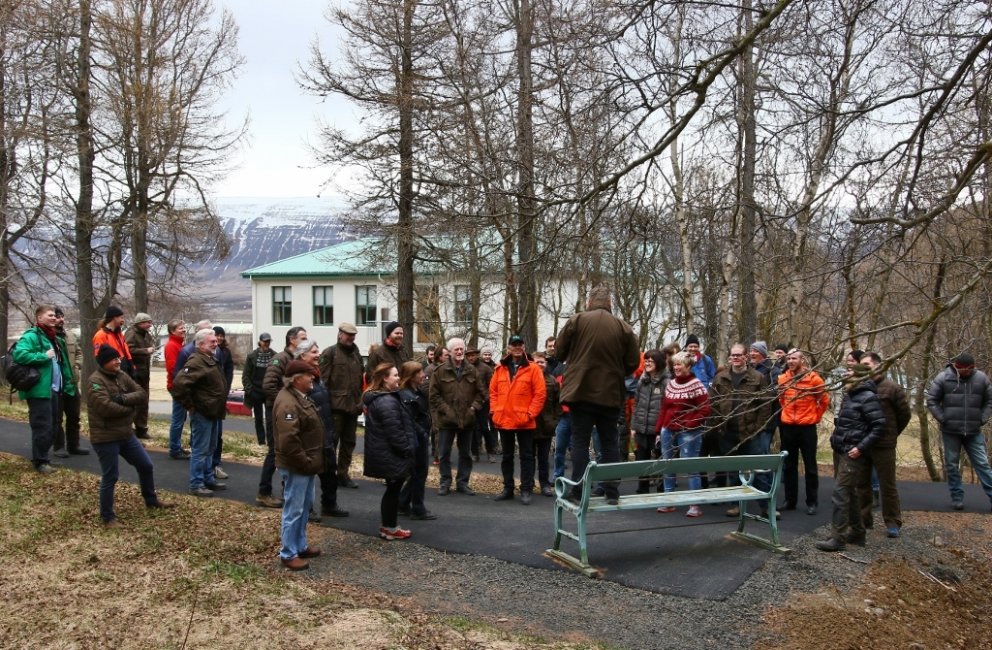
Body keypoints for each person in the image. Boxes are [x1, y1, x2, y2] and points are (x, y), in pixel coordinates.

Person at [556, 285, 640, 504]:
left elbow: (558, 352)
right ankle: (612, 491)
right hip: (610, 394)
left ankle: (578, 490)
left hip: (580, 392)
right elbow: (633, 363)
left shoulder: (577, 320)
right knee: (609, 442)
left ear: (589, 302)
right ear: (610, 303)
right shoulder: (624, 328)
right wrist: (615, 371)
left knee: (580, 441)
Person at [88, 344, 173, 526]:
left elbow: (141, 393)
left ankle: (151, 500)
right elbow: (105, 407)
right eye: (114, 359)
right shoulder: (95, 381)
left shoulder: (121, 375)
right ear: (104, 363)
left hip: (126, 434)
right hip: (105, 437)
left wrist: (124, 399)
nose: (118, 361)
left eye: (119, 358)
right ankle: (108, 517)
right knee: (110, 476)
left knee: (146, 465)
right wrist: (130, 411)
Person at [816, 364, 886, 552]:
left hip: (852, 453)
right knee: (850, 493)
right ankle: (857, 532)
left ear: (860, 377)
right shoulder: (850, 395)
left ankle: (838, 538)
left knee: (840, 493)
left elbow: (879, 426)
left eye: (851, 372)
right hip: (841, 449)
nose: (846, 374)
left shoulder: (868, 397)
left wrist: (860, 448)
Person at [708, 343, 774, 516]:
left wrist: (757, 428)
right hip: (728, 433)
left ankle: (767, 507)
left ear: (746, 357)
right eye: (733, 355)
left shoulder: (758, 377)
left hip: (751, 433)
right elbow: (712, 403)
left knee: (759, 471)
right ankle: (736, 505)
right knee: (734, 471)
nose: (735, 358)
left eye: (739, 355)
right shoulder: (720, 377)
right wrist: (719, 424)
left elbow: (766, 406)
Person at [12, 305, 79, 473]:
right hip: (39, 390)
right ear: (39, 318)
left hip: (55, 389)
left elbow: (61, 362)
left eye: (54, 316)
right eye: (49, 315)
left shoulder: (52, 337)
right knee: (42, 426)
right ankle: (40, 462)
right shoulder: (32, 335)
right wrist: (43, 357)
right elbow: (19, 354)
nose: (53, 318)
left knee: (54, 426)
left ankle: (42, 457)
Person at [273, 360, 325, 570]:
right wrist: (305, 462)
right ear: (296, 379)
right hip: (298, 465)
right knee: (294, 509)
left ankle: (299, 545)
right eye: (308, 374)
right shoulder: (288, 403)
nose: (312, 377)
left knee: (303, 507)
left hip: (306, 464)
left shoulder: (299, 397)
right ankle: (288, 553)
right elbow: (289, 441)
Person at [925, 352, 992, 511]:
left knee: (982, 464)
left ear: (971, 368)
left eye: (963, 369)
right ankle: (957, 497)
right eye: (957, 368)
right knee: (952, 465)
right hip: (950, 430)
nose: (960, 371)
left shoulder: (982, 379)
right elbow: (931, 400)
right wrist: (943, 418)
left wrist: (982, 418)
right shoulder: (943, 378)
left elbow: (990, 401)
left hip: (973, 430)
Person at [363, 363, 417, 540]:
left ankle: (389, 526)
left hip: (388, 453)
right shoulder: (386, 401)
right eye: (395, 375)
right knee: (393, 491)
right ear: (385, 378)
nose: (398, 378)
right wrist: (407, 449)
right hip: (391, 454)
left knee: (393, 490)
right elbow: (395, 432)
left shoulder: (386, 398)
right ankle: (389, 527)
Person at [490, 335, 547, 505]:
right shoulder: (500, 368)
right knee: (507, 456)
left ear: (523, 346)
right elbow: (493, 392)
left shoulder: (533, 368)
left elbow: (540, 394)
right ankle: (508, 489)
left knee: (527, 456)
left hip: (525, 421)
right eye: (514, 345)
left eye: (519, 344)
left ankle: (526, 489)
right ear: (508, 348)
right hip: (504, 419)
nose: (517, 347)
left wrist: (530, 414)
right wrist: (494, 411)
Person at [860, 352, 911, 537]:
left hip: (884, 443)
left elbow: (904, 415)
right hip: (863, 443)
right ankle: (864, 519)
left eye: (867, 364)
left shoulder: (892, 388)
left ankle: (892, 522)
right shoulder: (860, 387)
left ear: (878, 365)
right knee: (862, 484)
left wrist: (892, 433)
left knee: (887, 485)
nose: (863, 368)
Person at [171, 328, 227, 497]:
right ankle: (196, 483)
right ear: (201, 344)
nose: (216, 344)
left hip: (213, 412)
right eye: (212, 342)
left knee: (211, 447)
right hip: (203, 412)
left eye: (216, 341)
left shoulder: (210, 358)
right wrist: (191, 406)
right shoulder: (196, 361)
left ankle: (208, 478)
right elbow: (179, 386)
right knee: (200, 450)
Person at [296, 339, 348, 519]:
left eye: (318, 351)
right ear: (303, 355)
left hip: (325, 433)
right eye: (314, 352)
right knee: (307, 476)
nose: (318, 354)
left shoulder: (317, 376)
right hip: (310, 437)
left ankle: (329, 505)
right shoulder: (299, 378)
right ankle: (306, 509)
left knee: (329, 473)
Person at [655, 351, 711, 517]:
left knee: (690, 467)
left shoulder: (697, 385)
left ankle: (694, 504)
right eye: (675, 364)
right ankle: (669, 500)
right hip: (668, 429)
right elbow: (664, 408)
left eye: (680, 364)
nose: (676, 367)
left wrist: (689, 424)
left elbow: (705, 409)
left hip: (689, 432)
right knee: (668, 465)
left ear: (688, 366)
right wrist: (659, 430)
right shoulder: (671, 384)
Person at [257, 326, 307, 508]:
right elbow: (268, 386)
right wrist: (287, 402)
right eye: (303, 338)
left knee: (290, 449)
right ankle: (264, 492)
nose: (306, 341)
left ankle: (288, 492)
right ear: (292, 340)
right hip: (276, 412)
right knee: (275, 451)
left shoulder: (297, 359)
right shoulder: (280, 359)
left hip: (291, 412)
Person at [777, 348, 830, 515]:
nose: (791, 361)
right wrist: (786, 414)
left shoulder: (814, 379)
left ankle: (812, 501)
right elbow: (781, 399)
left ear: (802, 360)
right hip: (788, 427)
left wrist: (815, 417)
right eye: (789, 359)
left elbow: (824, 400)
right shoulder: (783, 379)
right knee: (789, 465)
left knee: (810, 466)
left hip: (807, 427)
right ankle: (790, 500)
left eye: (794, 358)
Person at [429, 337, 484, 496]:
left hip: (468, 419)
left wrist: (473, 408)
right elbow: (434, 396)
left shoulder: (473, 370)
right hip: (447, 420)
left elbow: (481, 393)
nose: (459, 352)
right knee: (444, 453)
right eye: (456, 350)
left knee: (466, 454)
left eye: (461, 349)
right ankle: (445, 482)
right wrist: (447, 410)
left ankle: (463, 483)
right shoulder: (439, 371)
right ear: (450, 352)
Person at [318, 323, 365, 489]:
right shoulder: (329, 353)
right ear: (339, 335)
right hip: (335, 407)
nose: (350, 338)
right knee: (332, 442)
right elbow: (322, 382)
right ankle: (328, 474)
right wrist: (325, 406)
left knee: (349, 442)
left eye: (353, 336)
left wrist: (360, 401)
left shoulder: (356, 354)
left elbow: (360, 381)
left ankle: (343, 474)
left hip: (353, 406)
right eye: (347, 335)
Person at [397, 361, 436, 520]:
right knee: (419, 473)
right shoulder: (406, 395)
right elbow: (410, 421)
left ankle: (403, 502)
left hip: (419, 437)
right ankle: (417, 508)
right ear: (412, 376)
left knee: (417, 473)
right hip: (416, 439)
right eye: (420, 373)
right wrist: (423, 433)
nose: (423, 375)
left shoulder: (416, 392)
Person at [630, 349, 670, 494]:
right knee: (642, 458)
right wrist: (633, 426)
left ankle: (662, 488)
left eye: (650, 361)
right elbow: (637, 403)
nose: (647, 363)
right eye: (646, 360)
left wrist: (663, 428)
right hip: (641, 426)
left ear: (658, 363)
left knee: (660, 457)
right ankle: (643, 488)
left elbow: (668, 407)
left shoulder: (666, 382)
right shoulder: (642, 380)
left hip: (658, 428)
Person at [52, 307, 87, 457]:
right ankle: (59, 447)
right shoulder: (47, 337)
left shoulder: (70, 336)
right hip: (56, 385)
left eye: (62, 316)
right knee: (57, 418)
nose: (61, 319)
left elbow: (79, 352)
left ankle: (74, 446)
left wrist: (78, 365)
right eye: (57, 316)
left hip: (71, 383)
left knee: (74, 417)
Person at [532, 351, 560, 496]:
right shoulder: (527, 379)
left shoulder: (552, 381)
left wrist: (555, 421)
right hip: (529, 425)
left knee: (544, 458)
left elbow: (558, 403)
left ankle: (544, 484)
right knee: (529, 457)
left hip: (546, 426)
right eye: (537, 361)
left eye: (542, 362)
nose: (540, 364)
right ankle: (528, 483)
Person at [124, 312, 156, 440]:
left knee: (144, 401)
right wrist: (145, 351)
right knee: (134, 400)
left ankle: (141, 428)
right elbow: (128, 350)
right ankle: (128, 428)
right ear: (140, 323)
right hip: (134, 372)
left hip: (144, 372)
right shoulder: (131, 333)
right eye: (147, 322)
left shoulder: (146, 334)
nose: (150, 324)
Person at [164, 319, 191, 459]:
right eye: (180, 328)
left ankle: (177, 445)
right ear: (172, 331)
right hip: (177, 386)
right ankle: (174, 449)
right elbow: (173, 368)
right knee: (178, 418)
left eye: (184, 327)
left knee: (181, 417)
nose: (184, 330)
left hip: (181, 385)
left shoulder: (180, 344)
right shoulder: (171, 346)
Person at [211, 326, 235, 480]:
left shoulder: (226, 352)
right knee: (209, 435)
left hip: (221, 395)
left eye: (221, 335)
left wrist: (225, 390)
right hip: (209, 399)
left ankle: (215, 463)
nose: (219, 338)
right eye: (216, 335)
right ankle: (208, 467)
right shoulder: (208, 353)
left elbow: (229, 372)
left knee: (218, 434)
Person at [243, 333, 274, 447]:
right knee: (259, 418)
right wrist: (250, 390)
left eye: (268, 341)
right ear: (260, 342)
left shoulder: (274, 355)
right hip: (256, 391)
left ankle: (271, 441)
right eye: (265, 341)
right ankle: (261, 441)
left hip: (269, 392)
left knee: (270, 419)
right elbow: (246, 375)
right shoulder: (252, 356)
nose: (267, 343)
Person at [467, 347, 497, 463]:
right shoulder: (465, 367)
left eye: (473, 355)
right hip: (470, 403)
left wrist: (487, 399)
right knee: (473, 428)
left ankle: (490, 452)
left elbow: (491, 386)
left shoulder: (485, 368)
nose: (471, 357)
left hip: (483, 402)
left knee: (484, 427)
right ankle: (475, 453)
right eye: (469, 356)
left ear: (477, 355)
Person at [92, 306, 134, 377]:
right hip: (113, 370)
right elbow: (99, 356)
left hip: (125, 367)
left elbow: (125, 350)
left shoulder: (119, 334)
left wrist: (131, 364)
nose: (123, 320)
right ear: (114, 318)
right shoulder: (100, 335)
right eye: (121, 318)